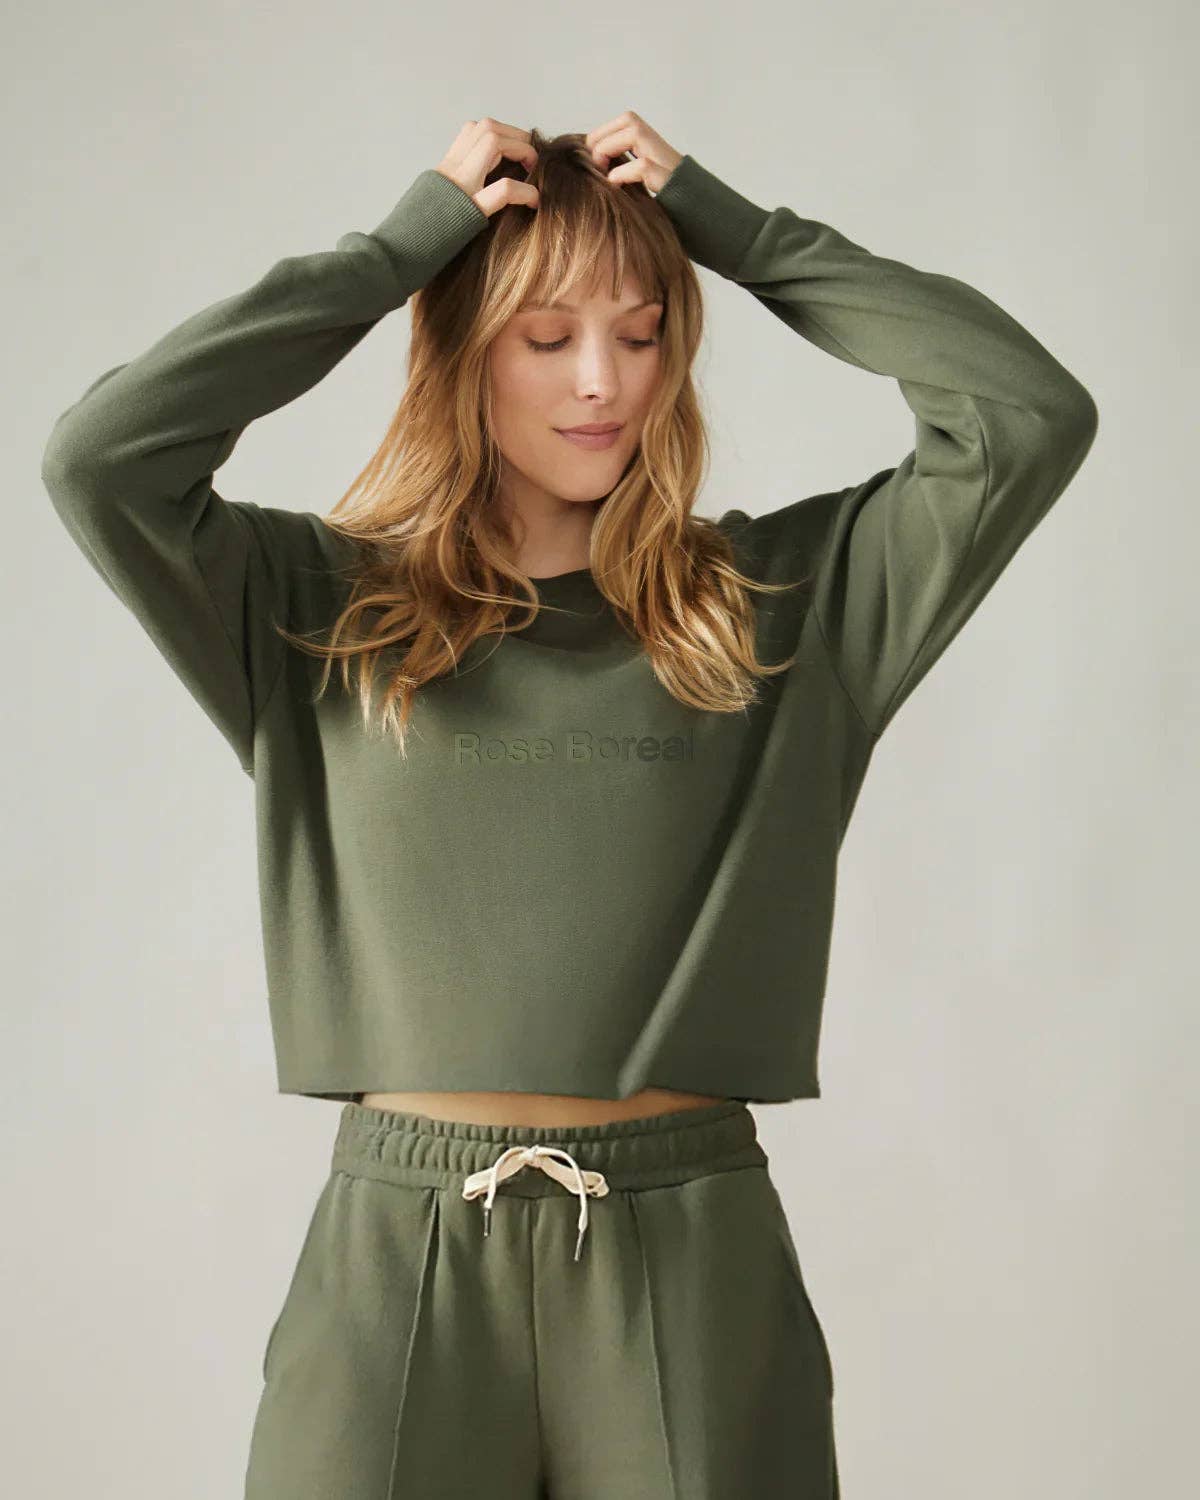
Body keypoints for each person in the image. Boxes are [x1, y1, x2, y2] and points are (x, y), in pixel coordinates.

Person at [41, 110, 1098, 1499]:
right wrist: (400, 252)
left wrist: (740, 235)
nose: (603, 381)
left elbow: (1028, 417)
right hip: (399, 1252)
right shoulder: (318, 608)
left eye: (642, 334)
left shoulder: (782, 605)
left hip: (687, 1247)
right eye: (547, 338)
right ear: (464, 350)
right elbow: (102, 459)